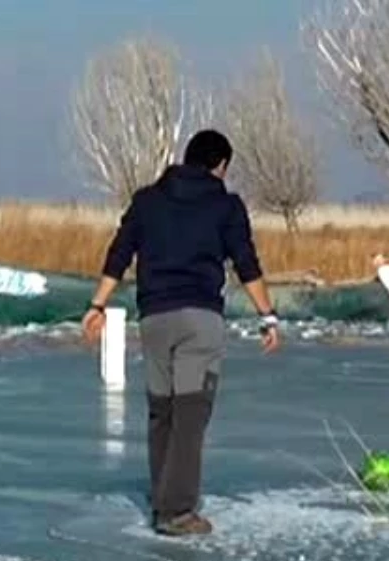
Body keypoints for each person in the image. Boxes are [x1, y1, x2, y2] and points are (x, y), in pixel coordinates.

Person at [81, 129, 281, 537]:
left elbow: (120, 252)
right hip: (199, 319)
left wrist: (97, 305)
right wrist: (268, 316)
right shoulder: (226, 205)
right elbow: (245, 262)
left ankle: (163, 498)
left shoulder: (147, 201)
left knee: (163, 412)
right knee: (191, 413)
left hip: (154, 317)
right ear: (221, 165)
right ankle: (177, 512)